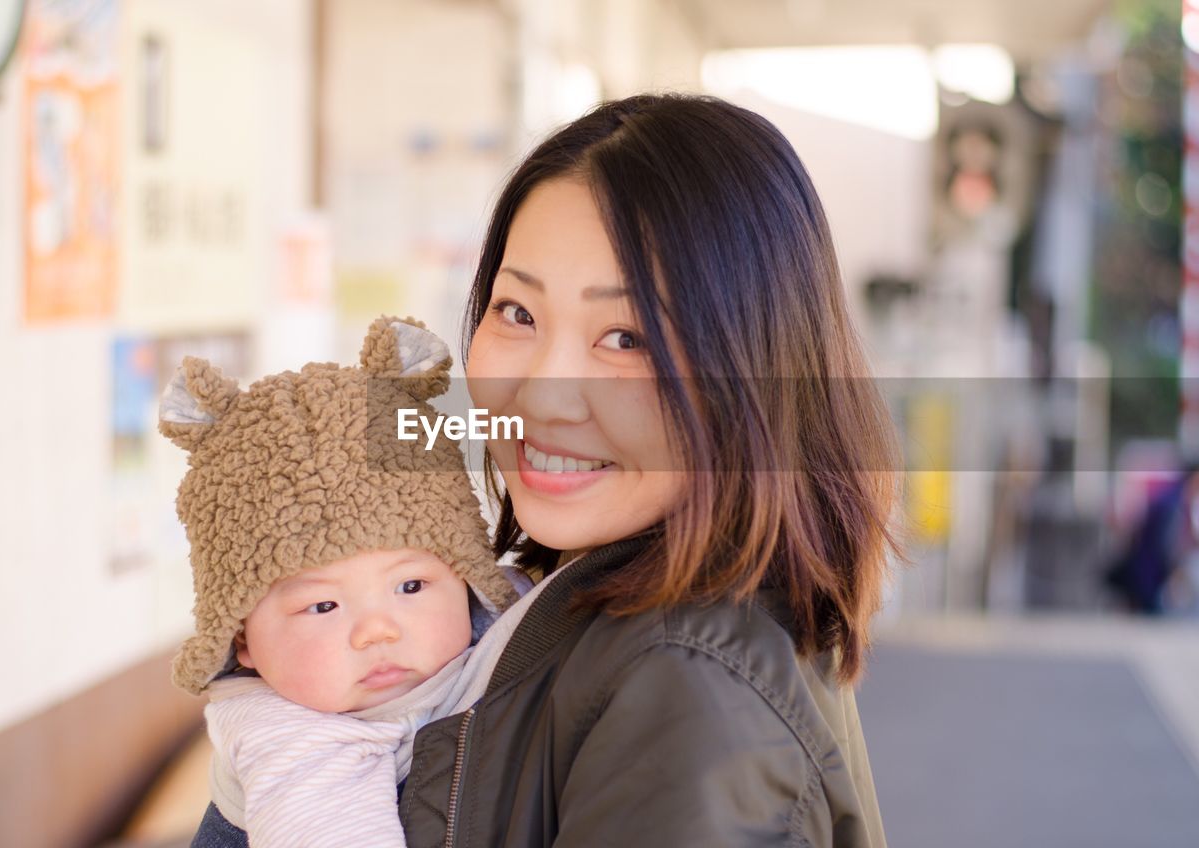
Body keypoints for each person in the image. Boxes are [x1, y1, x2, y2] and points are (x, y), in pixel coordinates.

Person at [192, 92, 902, 847]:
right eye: (518, 314)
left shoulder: (692, 686)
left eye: (628, 337)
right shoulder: (573, 593)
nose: (542, 396)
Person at [161, 315, 529, 847]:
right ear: (240, 637)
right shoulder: (296, 746)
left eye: (410, 588)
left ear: (467, 576)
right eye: (323, 607)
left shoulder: (502, 620)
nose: (376, 631)